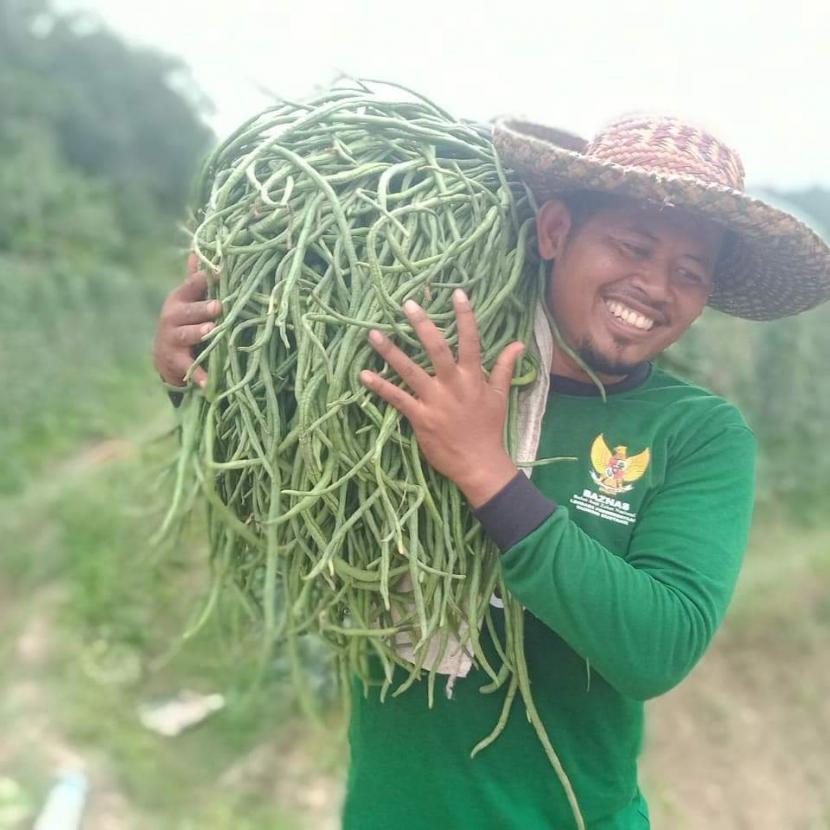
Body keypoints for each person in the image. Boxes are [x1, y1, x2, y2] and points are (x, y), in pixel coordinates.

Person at [152, 113, 830, 829]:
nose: (656, 286)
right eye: (633, 246)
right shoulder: (433, 373)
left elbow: (659, 647)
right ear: (556, 232)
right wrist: (199, 379)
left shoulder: (696, 434)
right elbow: (292, 516)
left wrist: (489, 474)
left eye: (690, 273)